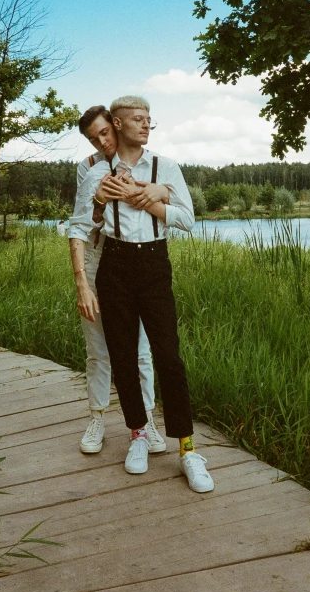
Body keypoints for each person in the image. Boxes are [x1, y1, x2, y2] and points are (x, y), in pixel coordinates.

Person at [70, 96, 214, 493]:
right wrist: (100, 200)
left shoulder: (164, 168)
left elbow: (188, 219)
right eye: (138, 119)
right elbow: (82, 224)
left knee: (169, 356)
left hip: (153, 264)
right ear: (118, 123)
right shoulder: (99, 171)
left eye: (149, 119)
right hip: (114, 267)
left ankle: (187, 449)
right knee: (121, 354)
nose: (147, 125)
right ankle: (137, 434)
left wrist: (151, 198)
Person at [68, 105, 167, 455]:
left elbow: (164, 208)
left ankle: (146, 422)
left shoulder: (146, 163)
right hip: (97, 263)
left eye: (105, 132)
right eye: (94, 138)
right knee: (98, 349)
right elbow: (82, 224)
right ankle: (97, 417)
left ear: (116, 124)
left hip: (132, 264)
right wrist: (82, 282)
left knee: (140, 351)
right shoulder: (89, 169)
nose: (102, 142)